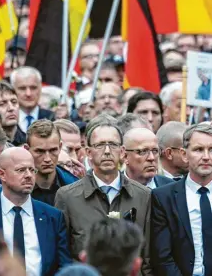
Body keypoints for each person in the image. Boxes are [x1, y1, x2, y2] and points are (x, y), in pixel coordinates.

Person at [55, 117, 151, 275]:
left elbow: (148, 256)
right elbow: (63, 255)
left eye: (113, 145)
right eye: (100, 145)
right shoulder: (67, 196)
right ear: (88, 153)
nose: (107, 151)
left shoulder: (143, 195)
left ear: (122, 152)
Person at [0, 147, 72, 276]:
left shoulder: (53, 217)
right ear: (2, 174)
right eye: (21, 170)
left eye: (32, 170)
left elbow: (64, 266)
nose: (28, 175)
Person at [151, 123, 212, 276]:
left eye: (211, 150)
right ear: (184, 154)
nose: (206, 156)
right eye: (199, 149)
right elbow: (162, 256)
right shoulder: (163, 197)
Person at [25, 120, 78, 206]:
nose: (47, 159)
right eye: (40, 151)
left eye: (53, 150)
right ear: (27, 149)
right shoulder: (14, 188)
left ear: (60, 147)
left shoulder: (75, 187)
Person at [10, 67, 54, 133]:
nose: (28, 94)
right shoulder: (6, 121)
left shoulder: (53, 119)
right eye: (22, 88)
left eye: (33, 88)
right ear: (12, 90)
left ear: (40, 89)